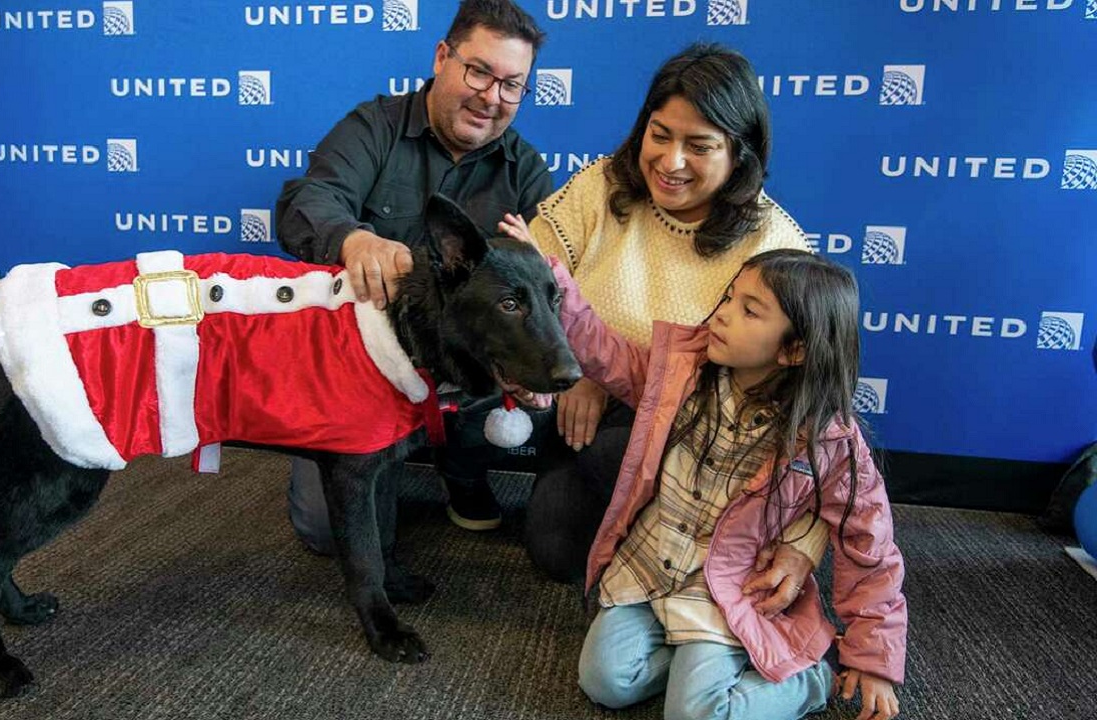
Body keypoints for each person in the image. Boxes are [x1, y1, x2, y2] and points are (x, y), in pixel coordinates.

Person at [499, 43, 822, 588]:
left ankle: (692, 550)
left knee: (612, 456)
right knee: (554, 548)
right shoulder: (600, 186)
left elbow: (799, 400)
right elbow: (535, 275)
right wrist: (576, 368)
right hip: (585, 411)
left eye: (699, 145)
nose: (670, 162)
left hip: (700, 434)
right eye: (659, 135)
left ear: (739, 153)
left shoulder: (776, 243)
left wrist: (617, 385)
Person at [551, 249, 907, 720]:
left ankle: (808, 679)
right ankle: (704, 663)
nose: (722, 313)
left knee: (693, 716)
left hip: (725, 589)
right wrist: (551, 279)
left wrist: (873, 657)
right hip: (649, 568)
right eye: (729, 297)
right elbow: (604, 352)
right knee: (607, 682)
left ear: (794, 349)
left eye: (749, 310)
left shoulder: (827, 438)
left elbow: (870, 545)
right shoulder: (679, 374)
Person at [274, 0, 552, 554]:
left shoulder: (526, 169)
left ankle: (464, 472)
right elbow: (310, 200)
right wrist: (353, 239)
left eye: (512, 85)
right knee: (324, 532)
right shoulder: (372, 128)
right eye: (479, 72)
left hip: (464, 374)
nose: (491, 97)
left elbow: (552, 279)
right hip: (361, 369)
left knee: (547, 373)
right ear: (442, 56)